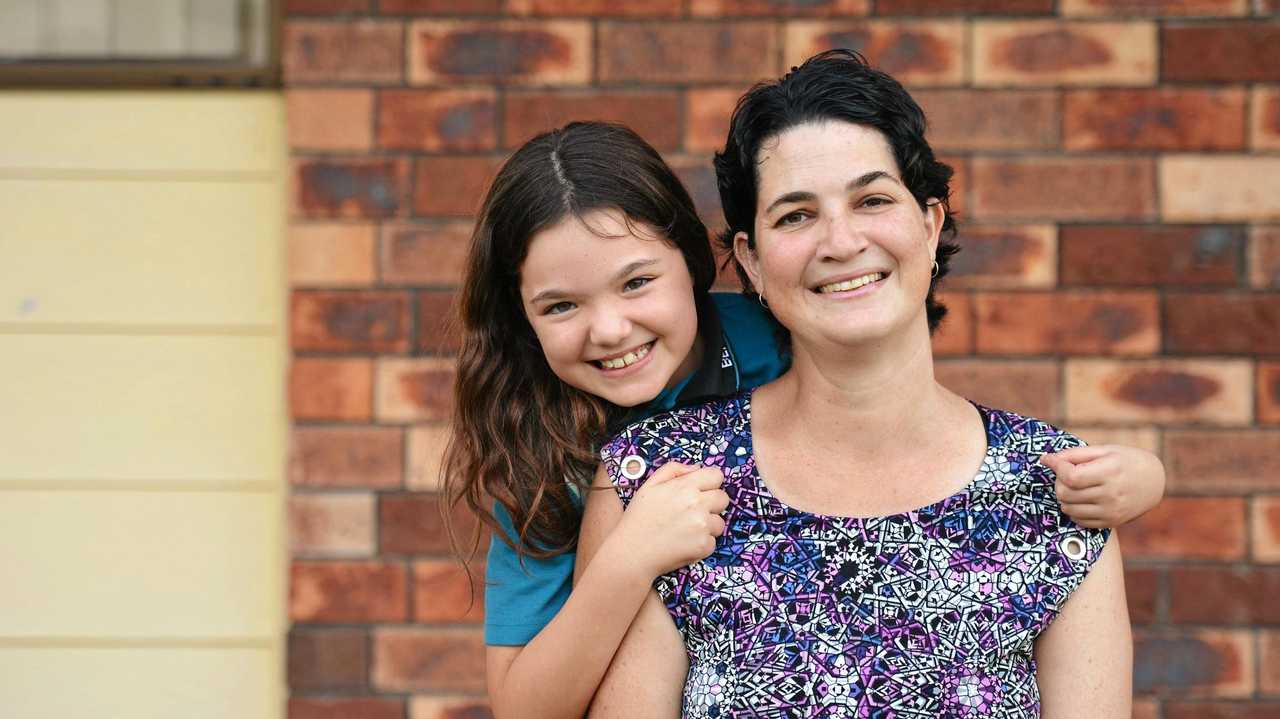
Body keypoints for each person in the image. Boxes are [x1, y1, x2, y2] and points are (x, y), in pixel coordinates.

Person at [446, 120, 1153, 718]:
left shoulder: (772, 331)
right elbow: (520, 703)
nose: (609, 329)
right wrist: (628, 557)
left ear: (697, 264)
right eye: (560, 306)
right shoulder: (543, 452)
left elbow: (896, 396)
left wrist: (1145, 474)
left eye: (636, 282)